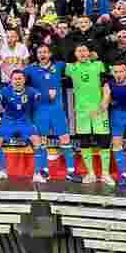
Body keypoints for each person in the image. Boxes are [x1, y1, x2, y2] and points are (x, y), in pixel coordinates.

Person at [25, 46, 82, 183]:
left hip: (57, 109)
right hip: (40, 110)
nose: (42, 54)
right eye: (40, 52)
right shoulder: (30, 70)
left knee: (65, 138)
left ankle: (70, 172)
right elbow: (18, 81)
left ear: (50, 54)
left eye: (45, 52)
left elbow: (77, 67)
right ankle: (43, 171)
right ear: (36, 55)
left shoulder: (59, 65)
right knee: (41, 140)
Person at [65, 45, 111, 184]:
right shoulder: (70, 68)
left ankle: (105, 174)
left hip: (100, 110)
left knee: (104, 142)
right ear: (75, 54)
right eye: (79, 51)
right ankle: (90, 174)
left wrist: (105, 100)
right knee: (84, 143)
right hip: (82, 111)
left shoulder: (98, 65)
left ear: (89, 53)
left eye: (84, 50)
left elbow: (109, 81)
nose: (82, 53)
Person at [0, 70, 41, 181]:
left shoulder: (31, 91)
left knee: (37, 141)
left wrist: (43, 97)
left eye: (20, 79)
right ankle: (3, 171)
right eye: (15, 79)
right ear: (11, 81)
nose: (17, 81)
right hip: (8, 121)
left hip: (24, 121)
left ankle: (37, 174)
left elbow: (41, 97)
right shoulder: (5, 91)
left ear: (24, 80)